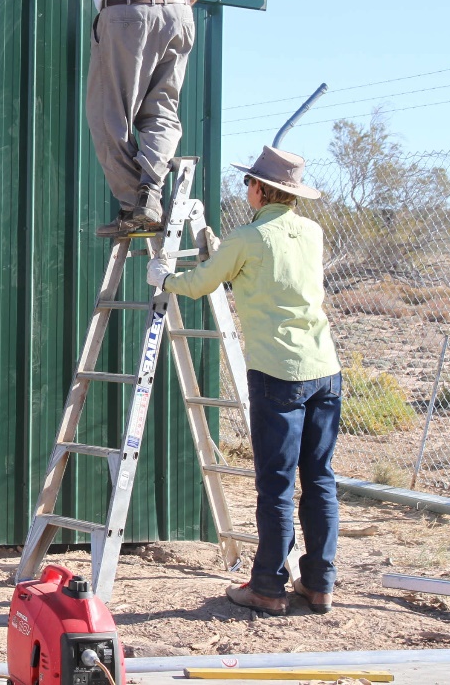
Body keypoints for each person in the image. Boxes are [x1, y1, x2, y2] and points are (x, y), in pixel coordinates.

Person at [146, 146, 342, 616]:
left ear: (260, 188)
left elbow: (198, 285)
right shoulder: (311, 232)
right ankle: (318, 585)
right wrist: (223, 252)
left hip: (279, 373)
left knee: (275, 484)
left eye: (249, 183)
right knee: (320, 480)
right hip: (325, 370)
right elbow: (267, 274)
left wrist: (165, 278)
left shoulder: (248, 238)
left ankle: (268, 589)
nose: (246, 189)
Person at [0, 0, 210, 237]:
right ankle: (151, 190)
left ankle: (137, 204)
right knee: (161, 110)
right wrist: (169, 8)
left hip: (127, 10)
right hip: (181, 12)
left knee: (108, 113)